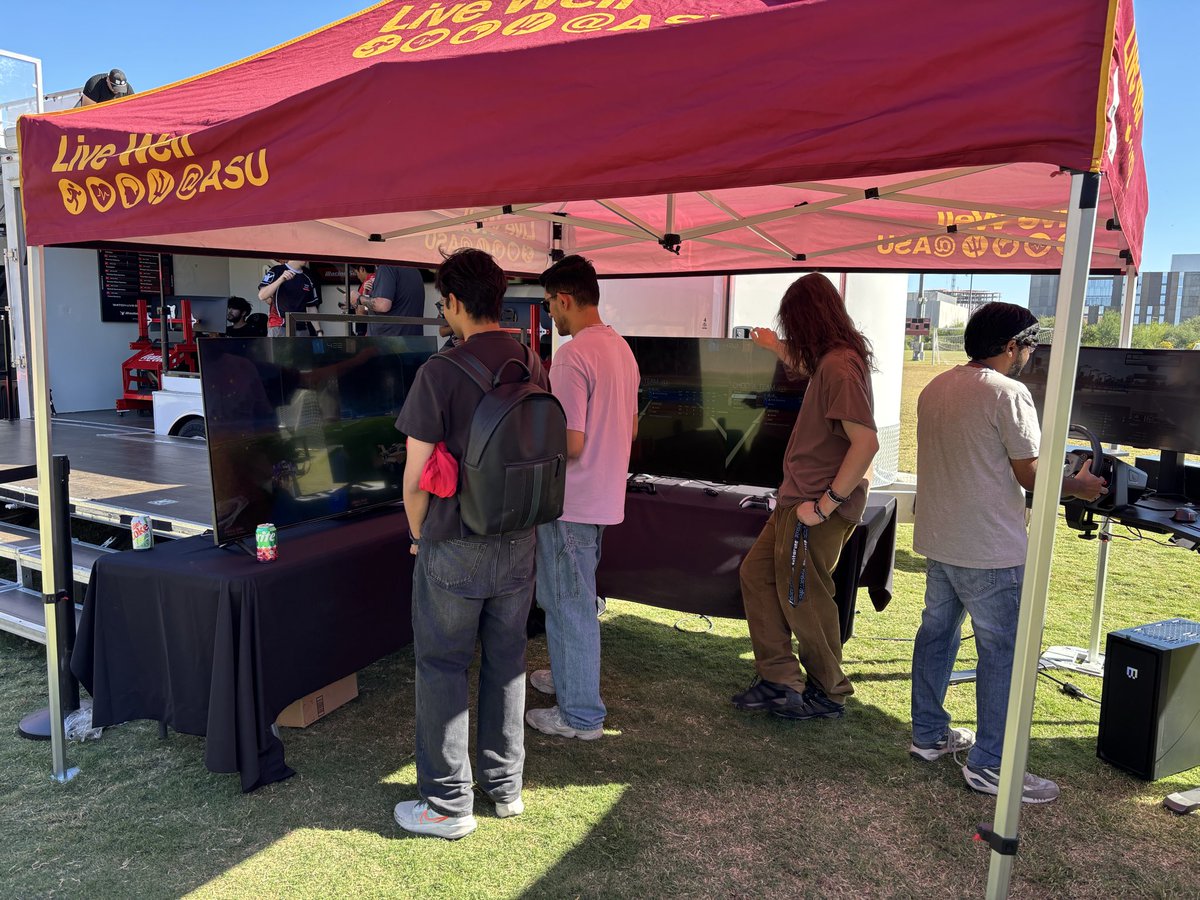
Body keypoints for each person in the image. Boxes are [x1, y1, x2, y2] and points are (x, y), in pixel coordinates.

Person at [910, 302, 1106, 804]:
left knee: (937, 636)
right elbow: (1030, 474)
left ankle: (929, 734)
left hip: (941, 538)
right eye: (1030, 345)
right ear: (1011, 345)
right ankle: (991, 766)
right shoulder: (1009, 392)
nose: (1031, 355)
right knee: (1005, 655)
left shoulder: (936, 386)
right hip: (989, 548)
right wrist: (1078, 487)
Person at [392, 248, 548, 840]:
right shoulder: (530, 360)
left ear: (454, 301)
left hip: (454, 540)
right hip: (520, 540)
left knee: (441, 666)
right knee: (507, 663)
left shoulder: (441, 371)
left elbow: (415, 476)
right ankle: (505, 788)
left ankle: (447, 804)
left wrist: (416, 535)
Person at [732, 273, 878, 721]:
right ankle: (780, 679)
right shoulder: (831, 360)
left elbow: (866, 443)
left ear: (807, 320)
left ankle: (829, 691)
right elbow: (806, 365)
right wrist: (774, 345)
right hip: (797, 502)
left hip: (814, 506)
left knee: (804, 597)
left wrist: (825, 505)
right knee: (757, 576)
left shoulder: (839, 365)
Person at [524, 255, 640, 741]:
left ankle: (580, 715)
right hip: (601, 495)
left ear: (564, 299)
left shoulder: (572, 355)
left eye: (549, 303)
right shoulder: (621, 348)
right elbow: (631, 427)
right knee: (569, 599)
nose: (550, 313)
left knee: (568, 604)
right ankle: (569, 677)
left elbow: (570, 442)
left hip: (572, 500)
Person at [257, 260, 323, 337]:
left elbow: (311, 306)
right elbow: (262, 295)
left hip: (301, 328)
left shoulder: (308, 275)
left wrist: (318, 331)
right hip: (279, 326)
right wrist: (281, 279)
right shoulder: (277, 270)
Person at [363, 265, 425, 336]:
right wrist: (366, 294)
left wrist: (359, 298)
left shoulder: (386, 267)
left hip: (390, 340)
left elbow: (383, 305)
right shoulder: (414, 270)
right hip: (412, 338)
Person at [341, 264, 375, 337]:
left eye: (356, 272)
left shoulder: (367, 283)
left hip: (366, 329)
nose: (357, 276)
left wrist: (352, 300)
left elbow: (363, 311)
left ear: (362, 269)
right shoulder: (378, 279)